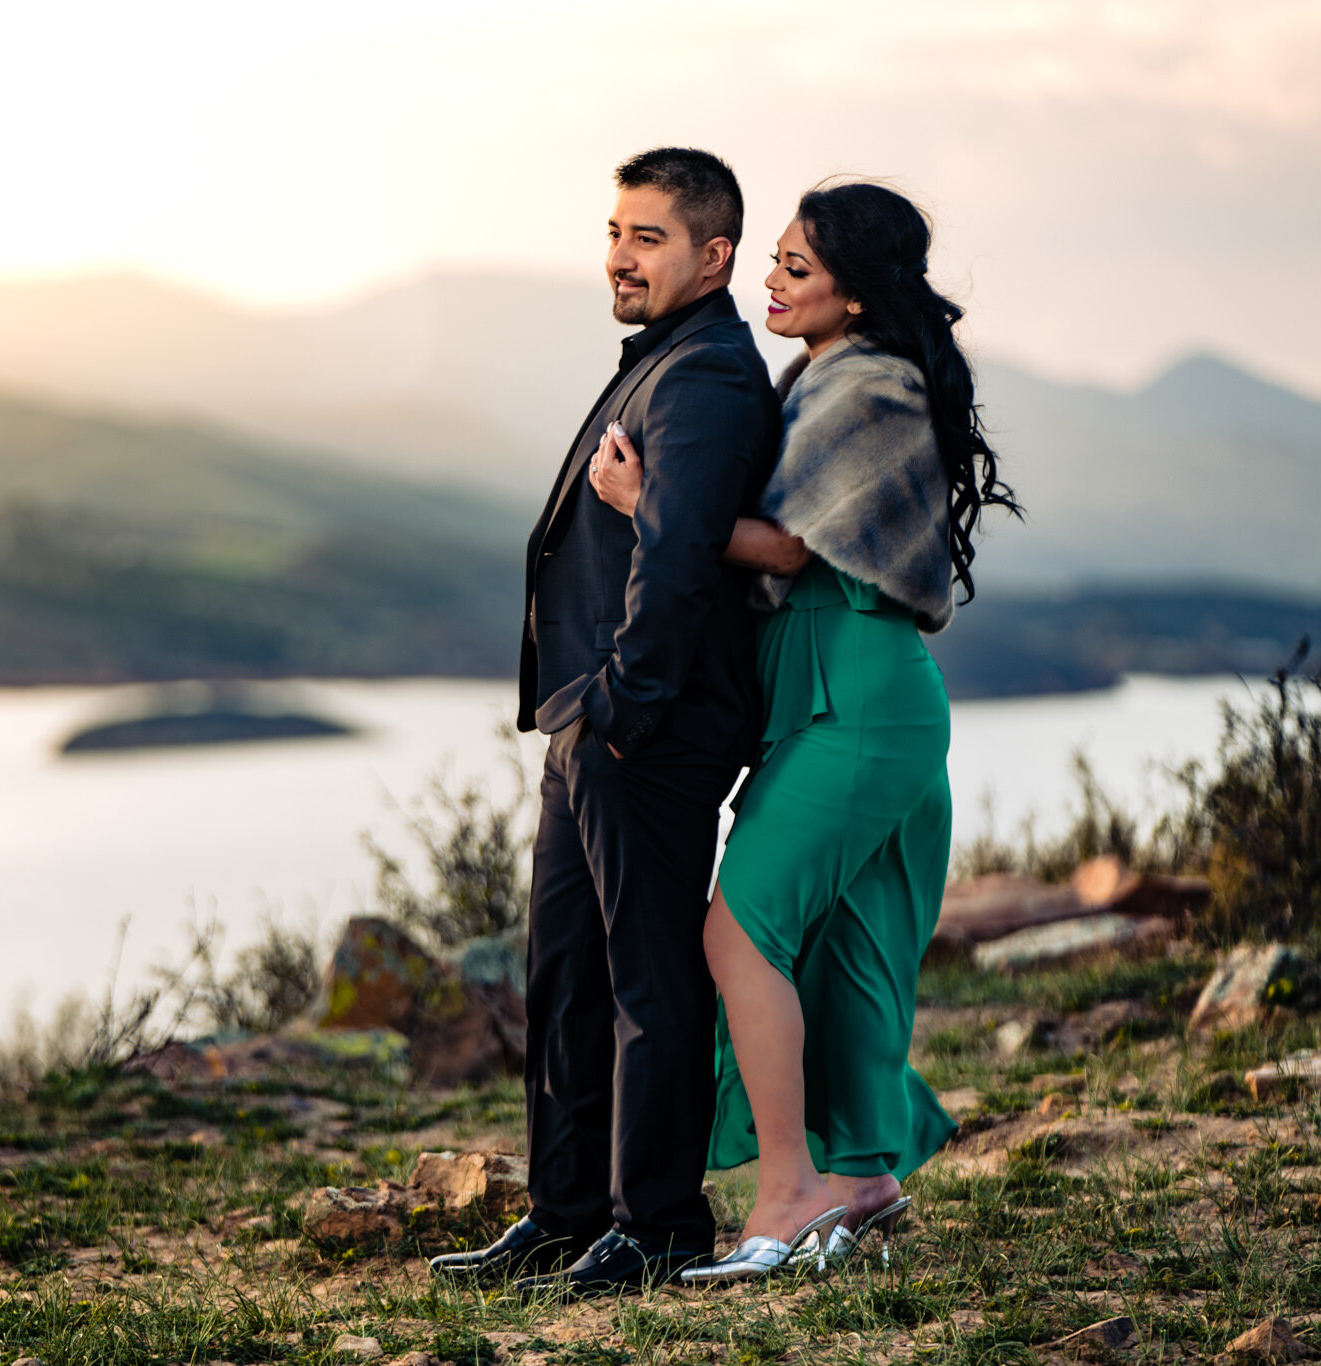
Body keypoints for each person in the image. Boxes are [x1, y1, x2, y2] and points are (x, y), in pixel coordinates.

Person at [586, 181, 1018, 1283]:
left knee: (737, 931)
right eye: (771, 262)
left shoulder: (862, 387)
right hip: (844, 688)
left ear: (856, 292)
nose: (770, 282)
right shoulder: (828, 375)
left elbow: (785, 551)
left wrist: (650, 512)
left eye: (793, 268)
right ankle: (862, 1179)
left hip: (855, 687)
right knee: (849, 948)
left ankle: (787, 1190)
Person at [428, 147, 780, 1297]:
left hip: (645, 728)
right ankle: (564, 1211)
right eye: (615, 232)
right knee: (566, 978)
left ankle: (659, 1222)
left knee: (645, 984)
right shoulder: (662, 361)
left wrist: (621, 707)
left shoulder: (708, 377)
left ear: (710, 255)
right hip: (593, 725)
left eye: (646, 238)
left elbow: (677, 558)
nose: (618, 257)